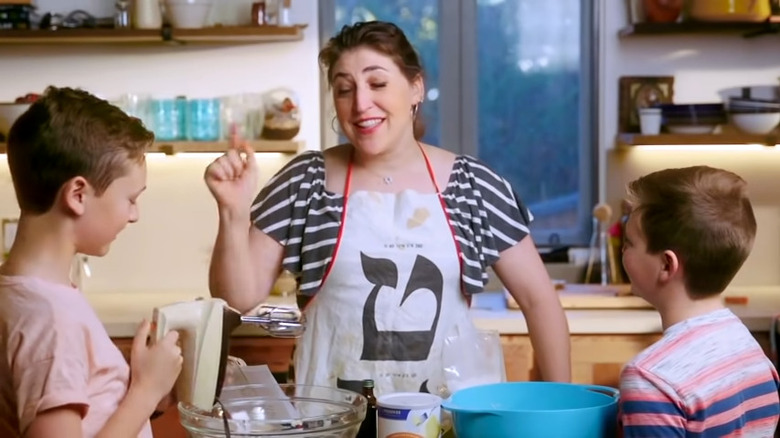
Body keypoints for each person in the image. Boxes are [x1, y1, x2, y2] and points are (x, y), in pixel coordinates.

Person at [205, 20, 571, 396]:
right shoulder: (305, 182)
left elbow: (538, 300)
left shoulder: (472, 185)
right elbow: (238, 298)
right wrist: (232, 212)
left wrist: (563, 412)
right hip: (335, 419)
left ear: (416, 88)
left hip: (445, 418)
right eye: (345, 89)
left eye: (377, 84)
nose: (361, 104)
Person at [0, 86, 183, 438]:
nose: (134, 215)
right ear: (78, 195)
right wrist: (146, 391)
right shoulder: (50, 322)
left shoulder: (23, 295)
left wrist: (135, 387)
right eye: (130, 199)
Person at [619, 166, 780, 436]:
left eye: (629, 242)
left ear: (666, 264)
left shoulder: (651, 380)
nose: (623, 250)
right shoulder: (751, 351)